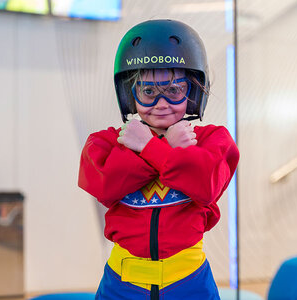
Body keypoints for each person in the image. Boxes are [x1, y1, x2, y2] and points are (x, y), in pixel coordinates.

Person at [78, 19, 239, 300]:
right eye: (148, 92)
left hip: (189, 282)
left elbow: (207, 186)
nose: (161, 103)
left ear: (193, 90)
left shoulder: (213, 140)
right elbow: (106, 187)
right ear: (130, 94)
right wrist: (159, 147)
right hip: (121, 284)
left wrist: (150, 147)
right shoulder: (106, 142)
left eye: (174, 90)